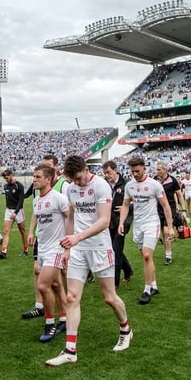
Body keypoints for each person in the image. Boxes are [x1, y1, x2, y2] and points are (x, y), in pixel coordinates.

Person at [45, 155, 132, 366]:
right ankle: (70, 351)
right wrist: (68, 247)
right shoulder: (70, 188)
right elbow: (72, 219)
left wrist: (77, 237)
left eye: (79, 178)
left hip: (100, 247)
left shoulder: (101, 185)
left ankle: (126, 329)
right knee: (72, 297)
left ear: (86, 169)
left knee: (109, 297)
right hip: (78, 249)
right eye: (73, 179)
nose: (77, 182)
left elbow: (104, 221)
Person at [118, 157, 174, 305]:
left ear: (144, 168)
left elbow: (165, 205)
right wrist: (121, 222)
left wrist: (169, 226)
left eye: (137, 171)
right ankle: (154, 285)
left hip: (152, 223)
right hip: (138, 225)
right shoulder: (129, 186)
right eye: (132, 171)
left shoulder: (154, 185)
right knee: (145, 257)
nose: (135, 174)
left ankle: (147, 290)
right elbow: (125, 205)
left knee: (147, 255)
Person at [26, 164, 71, 342]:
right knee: (56, 286)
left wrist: (68, 245)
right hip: (43, 248)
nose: (34, 179)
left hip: (56, 249)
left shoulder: (59, 198)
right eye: (34, 176)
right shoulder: (37, 199)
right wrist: (31, 232)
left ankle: (50, 324)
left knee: (42, 286)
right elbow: (35, 216)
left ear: (48, 179)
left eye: (37, 177)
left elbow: (70, 218)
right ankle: (65, 318)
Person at [102, 160, 134, 287]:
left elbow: (138, 200)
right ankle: (128, 270)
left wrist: (127, 207)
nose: (107, 175)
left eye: (108, 172)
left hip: (123, 221)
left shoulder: (127, 184)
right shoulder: (104, 184)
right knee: (113, 249)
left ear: (115, 170)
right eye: (105, 173)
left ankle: (114, 283)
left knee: (115, 250)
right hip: (109, 221)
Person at [154, 161, 184, 265]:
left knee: (166, 231)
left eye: (159, 169)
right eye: (156, 169)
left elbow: (179, 195)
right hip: (158, 209)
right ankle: (167, 252)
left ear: (165, 170)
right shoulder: (154, 180)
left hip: (170, 209)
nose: (157, 171)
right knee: (163, 232)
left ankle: (168, 256)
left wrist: (183, 210)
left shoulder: (173, 180)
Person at [0, 169, 27, 259]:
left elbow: (21, 200)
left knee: (22, 231)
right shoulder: (5, 186)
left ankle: (25, 250)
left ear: (11, 175)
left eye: (7, 177)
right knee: (6, 231)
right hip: (8, 210)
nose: (6, 180)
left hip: (18, 211)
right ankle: (3, 252)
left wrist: (15, 212)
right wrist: (10, 211)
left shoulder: (19, 186)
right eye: (4, 178)